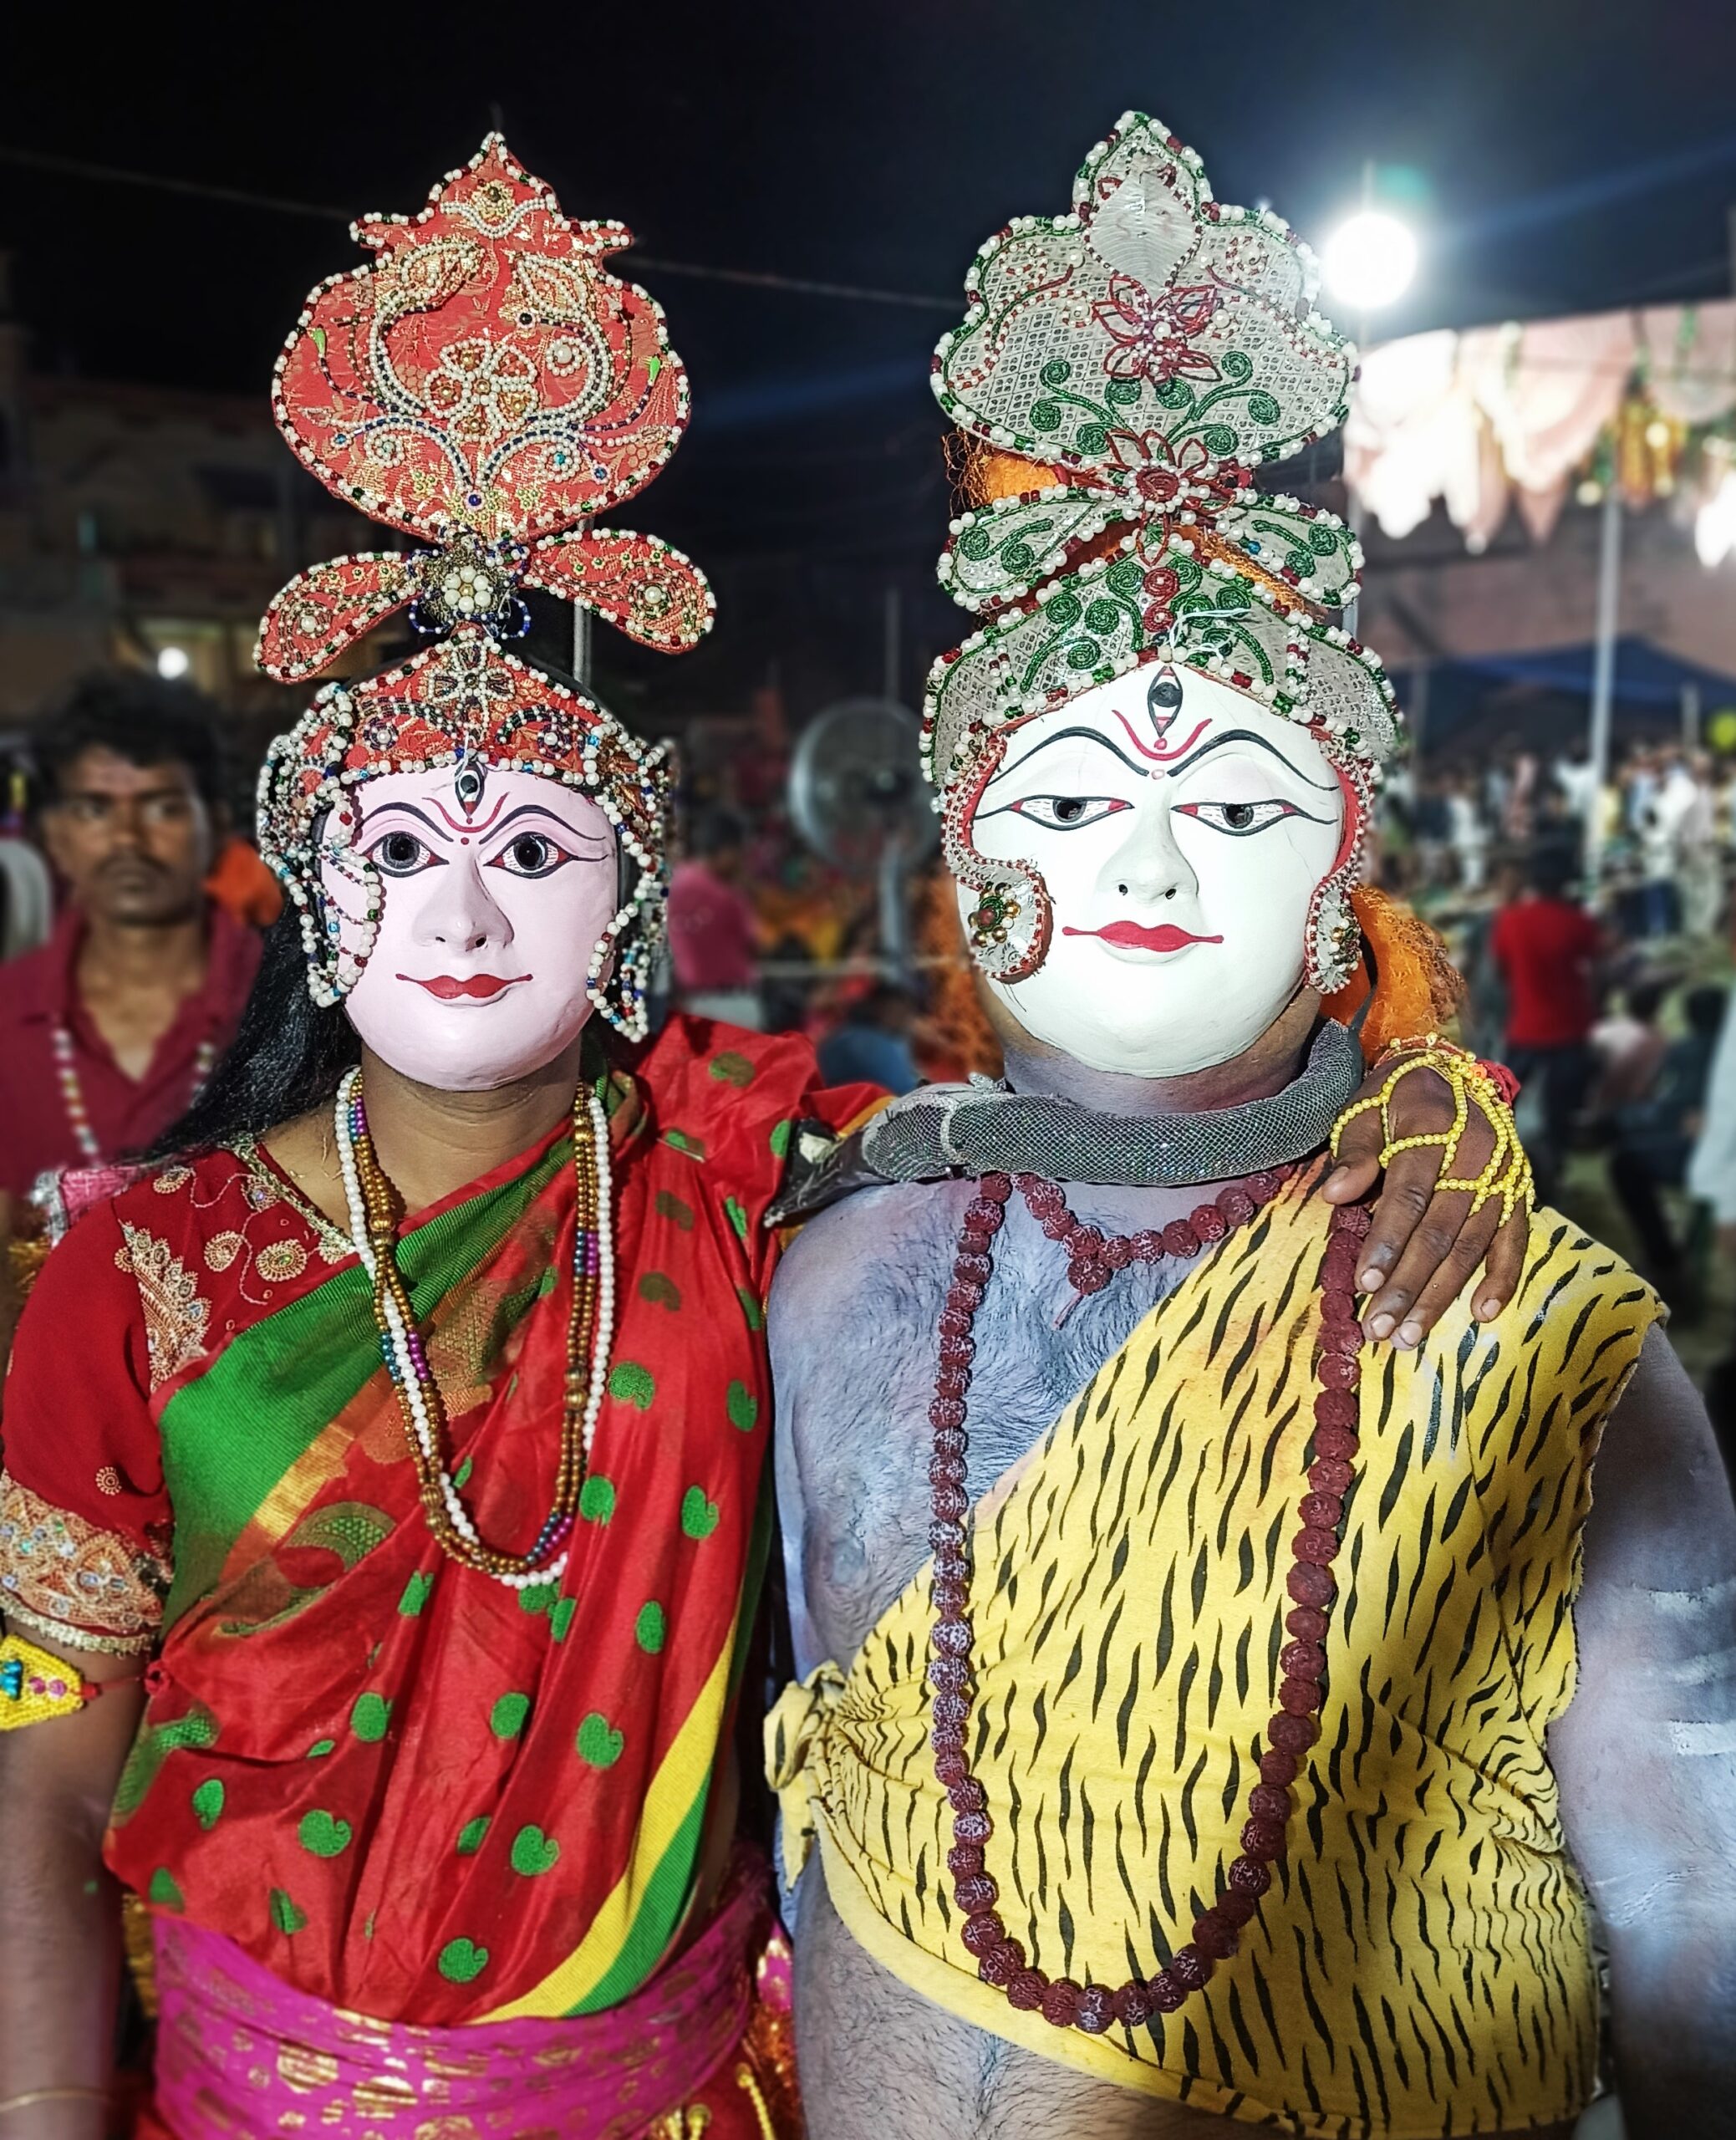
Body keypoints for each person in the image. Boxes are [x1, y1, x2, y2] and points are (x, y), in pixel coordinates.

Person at [765, 114, 1736, 2140]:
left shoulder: (1533, 1333)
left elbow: (1690, 1956)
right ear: (954, 858)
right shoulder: (829, 1263)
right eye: (1058, 801)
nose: (1137, 857)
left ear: (1338, 883)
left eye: (1224, 801)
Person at [0, 139, 871, 2140]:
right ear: (311, 897)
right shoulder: (140, 1272)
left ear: (634, 907)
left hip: (673, 2089)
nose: (462, 915)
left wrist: (1400, 1080)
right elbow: (43, 1763)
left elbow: (1079, 1178)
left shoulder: (745, 1181)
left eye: (535, 851)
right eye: (396, 851)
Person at [0, 673, 262, 1203]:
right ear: (55, 835)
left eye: (162, 807)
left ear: (214, 824)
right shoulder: (7, 1013)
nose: (127, 839)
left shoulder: (285, 1003)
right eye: (95, 809)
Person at [1489, 840, 1604, 1201]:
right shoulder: (1579, 924)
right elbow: (1596, 970)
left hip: (1526, 1027)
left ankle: (1498, 1164)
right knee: (1560, 1111)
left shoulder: (1510, 922)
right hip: (1570, 1030)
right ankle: (1554, 1176)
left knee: (1504, 1103)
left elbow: (1503, 970)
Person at [668, 809, 762, 1027]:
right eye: (740, 853)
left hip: (692, 1004)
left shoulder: (677, 883)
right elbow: (753, 943)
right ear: (727, 850)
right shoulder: (726, 894)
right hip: (732, 1003)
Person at [817, 981, 922, 1096]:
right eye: (901, 1012)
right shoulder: (873, 1045)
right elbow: (904, 1092)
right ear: (881, 1008)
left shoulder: (840, 1036)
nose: (905, 1020)